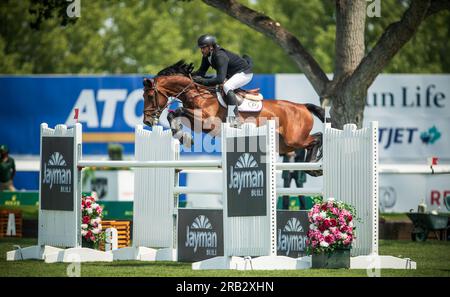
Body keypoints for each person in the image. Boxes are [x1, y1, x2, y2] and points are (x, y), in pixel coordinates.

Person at [192, 34, 253, 126]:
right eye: (201, 48)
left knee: (227, 86)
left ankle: (234, 118)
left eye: (204, 48)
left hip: (244, 73)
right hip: (232, 74)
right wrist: (187, 76)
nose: (202, 50)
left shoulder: (220, 55)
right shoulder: (207, 56)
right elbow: (201, 72)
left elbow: (220, 79)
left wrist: (203, 81)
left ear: (211, 47)